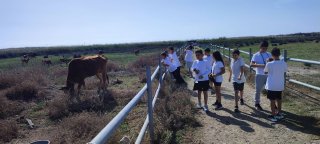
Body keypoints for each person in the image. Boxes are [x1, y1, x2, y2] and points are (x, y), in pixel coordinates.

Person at [264, 48, 288, 122]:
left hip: (271, 85)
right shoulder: (284, 63)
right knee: (279, 99)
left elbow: (265, 72)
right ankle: (279, 113)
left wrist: (267, 62)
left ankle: (273, 115)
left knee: (272, 100)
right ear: (279, 54)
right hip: (280, 84)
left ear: (272, 55)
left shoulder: (269, 64)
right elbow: (285, 71)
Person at [250, 40, 272, 110]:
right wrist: (262, 65)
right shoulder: (256, 55)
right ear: (260, 47)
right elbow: (251, 65)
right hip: (259, 75)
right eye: (263, 48)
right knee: (258, 90)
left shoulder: (269, 54)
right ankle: (257, 103)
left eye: (266, 48)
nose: (264, 49)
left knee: (270, 90)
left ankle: (272, 103)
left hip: (268, 75)